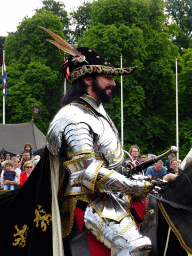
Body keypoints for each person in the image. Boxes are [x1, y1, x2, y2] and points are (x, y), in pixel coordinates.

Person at [41, 26, 154, 255]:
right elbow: (87, 172)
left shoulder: (96, 112)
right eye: (108, 77)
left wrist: (133, 173)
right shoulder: (73, 116)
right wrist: (135, 186)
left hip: (109, 198)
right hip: (87, 204)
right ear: (88, 79)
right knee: (136, 248)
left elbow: (113, 160)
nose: (113, 84)